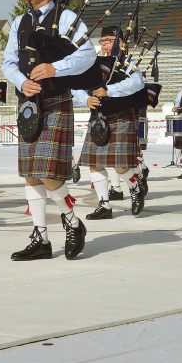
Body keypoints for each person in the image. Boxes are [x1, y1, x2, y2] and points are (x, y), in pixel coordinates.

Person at [2, 0, 98, 260]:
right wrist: (22, 81)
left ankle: (71, 220)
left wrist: (55, 68)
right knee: (31, 175)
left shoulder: (67, 18)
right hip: (29, 104)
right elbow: (8, 63)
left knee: (47, 171)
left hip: (56, 101)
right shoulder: (19, 22)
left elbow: (87, 55)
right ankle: (41, 239)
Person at [75, 26, 147, 219]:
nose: (105, 44)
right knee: (94, 163)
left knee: (120, 165)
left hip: (121, 115)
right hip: (98, 118)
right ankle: (104, 205)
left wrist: (110, 91)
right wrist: (85, 99)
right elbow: (77, 86)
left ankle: (134, 188)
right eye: (103, 40)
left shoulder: (127, 62)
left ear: (120, 43)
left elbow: (137, 83)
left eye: (109, 40)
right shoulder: (93, 63)